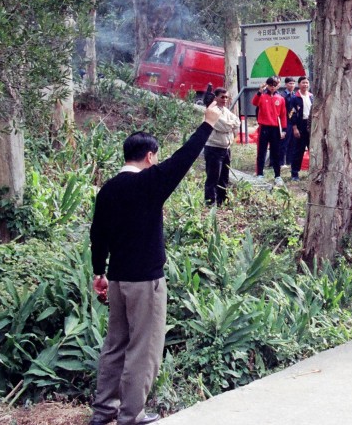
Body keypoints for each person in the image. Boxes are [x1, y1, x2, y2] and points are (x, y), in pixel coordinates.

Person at [89, 103, 221, 425]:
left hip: (118, 281)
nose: (159, 161)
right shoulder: (148, 183)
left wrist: (99, 273)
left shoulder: (108, 189)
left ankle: (104, 411)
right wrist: (207, 125)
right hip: (146, 282)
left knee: (114, 347)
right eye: (156, 157)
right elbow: (182, 160)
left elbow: (98, 235)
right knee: (143, 350)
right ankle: (131, 416)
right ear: (149, 156)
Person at [203, 88, 241, 206]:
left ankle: (221, 201)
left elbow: (237, 122)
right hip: (214, 148)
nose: (224, 99)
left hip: (226, 148)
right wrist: (231, 125)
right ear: (216, 98)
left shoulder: (225, 111)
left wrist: (231, 124)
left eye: (226, 97)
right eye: (222, 97)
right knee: (213, 177)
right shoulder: (212, 112)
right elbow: (224, 126)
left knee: (224, 177)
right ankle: (210, 203)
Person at [251, 77, 287, 185]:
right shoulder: (262, 96)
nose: (272, 87)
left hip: (275, 128)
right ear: (267, 85)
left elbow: (283, 115)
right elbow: (254, 102)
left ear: (278, 86)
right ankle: (260, 174)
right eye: (270, 85)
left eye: (274, 85)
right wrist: (259, 92)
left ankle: (277, 176)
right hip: (264, 127)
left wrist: (284, 129)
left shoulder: (280, 98)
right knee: (261, 151)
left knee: (276, 152)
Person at [287, 76, 312, 180]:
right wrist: (294, 128)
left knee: (313, 150)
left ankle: (313, 172)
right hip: (299, 125)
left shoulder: (312, 97)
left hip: (311, 125)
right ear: (299, 84)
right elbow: (290, 113)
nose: (305, 85)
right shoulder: (294, 98)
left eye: (307, 83)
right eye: (303, 83)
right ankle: (294, 173)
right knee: (298, 150)